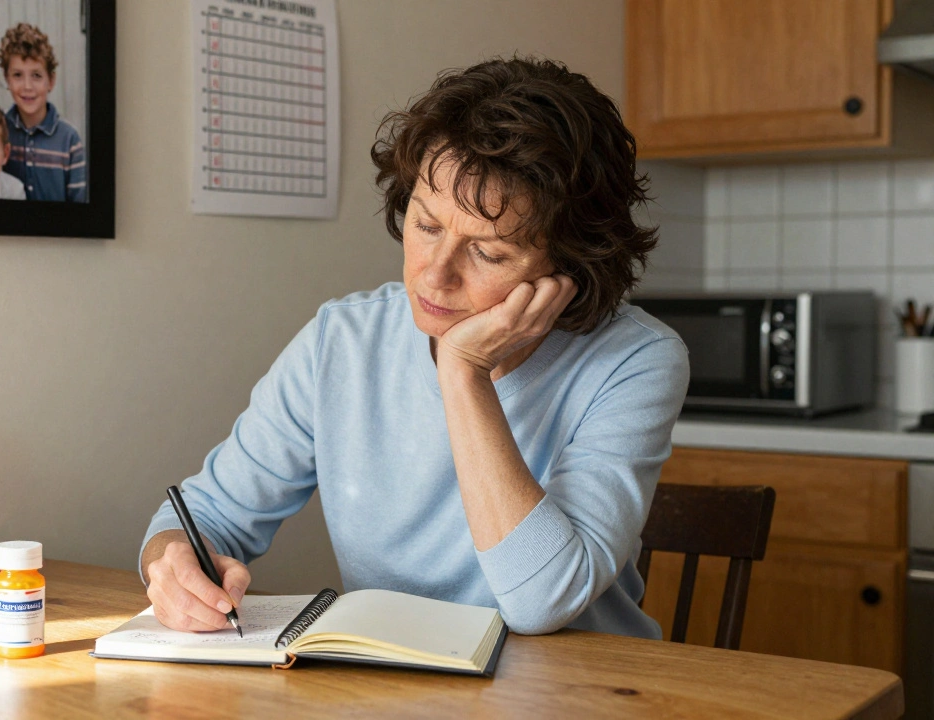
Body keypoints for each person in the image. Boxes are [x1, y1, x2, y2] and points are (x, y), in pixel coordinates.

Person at [138, 56, 690, 639]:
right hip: (394, 689)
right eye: (426, 226)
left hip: (580, 691)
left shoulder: (636, 361)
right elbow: (205, 515)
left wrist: (464, 372)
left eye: (488, 253)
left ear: (570, 266)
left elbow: (542, 602)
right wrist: (171, 563)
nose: (433, 277)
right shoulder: (343, 342)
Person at [0, 23, 88, 202]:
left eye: (36, 75)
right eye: (17, 75)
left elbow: (79, 205)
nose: (27, 86)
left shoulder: (69, 140)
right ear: (7, 79)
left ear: (51, 81)